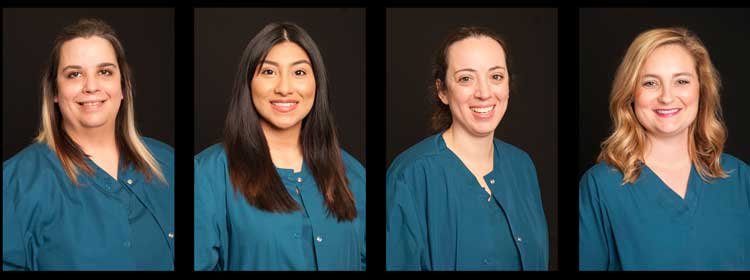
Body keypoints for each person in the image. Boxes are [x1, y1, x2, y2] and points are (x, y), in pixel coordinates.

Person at [2, 18, 174, 271]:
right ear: (55, 93)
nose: (91, 86)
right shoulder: (16, 182)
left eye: (104, 72)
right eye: (74, 74)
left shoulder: (169, 162)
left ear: (122, 86)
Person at [193, 22, 366, 271]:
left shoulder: (353, 175)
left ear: (317, 84)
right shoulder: (208, 175)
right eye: (269, 72)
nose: (284, 89)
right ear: (248, 83)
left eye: (299, 73)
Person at [579, 27, 750, 271]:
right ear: (630, 94)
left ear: (701, 90)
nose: (667, 97)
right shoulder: (600, 187)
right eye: (650, 83)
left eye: (681, 81)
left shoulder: (741, 179)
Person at [386, 26, 548, 271]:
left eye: (496, 76)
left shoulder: (522, 165)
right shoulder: (411, 174)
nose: (484, 93)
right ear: (442, 91)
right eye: (465, 78)